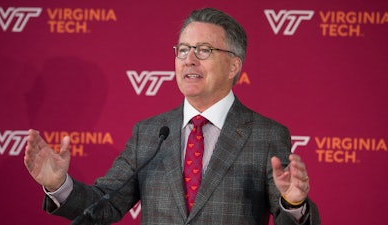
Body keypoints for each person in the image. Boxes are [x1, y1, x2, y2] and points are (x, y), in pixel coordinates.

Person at [24, 8, 320, 225]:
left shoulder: (266, 135)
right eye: (183, 50)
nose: (189, 59)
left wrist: (293, 203)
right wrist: (58, 185)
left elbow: (288, 220)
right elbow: (105, 204)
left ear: (233, 66)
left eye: (204, 50)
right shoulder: (150, 132)